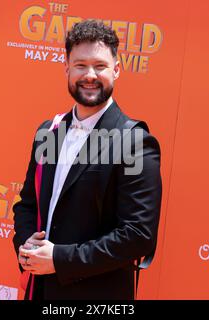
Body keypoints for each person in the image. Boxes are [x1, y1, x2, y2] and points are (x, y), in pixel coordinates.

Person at [13, 19, 162, 300]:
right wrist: (25, 243)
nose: (89, 75)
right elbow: (27, 205)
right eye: (80, 65)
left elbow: (138, 235)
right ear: (67, 68)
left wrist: (60, 258)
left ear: (117, 70)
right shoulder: (50, 132)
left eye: (100, 66)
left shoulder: (135, 142)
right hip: (40, 291)